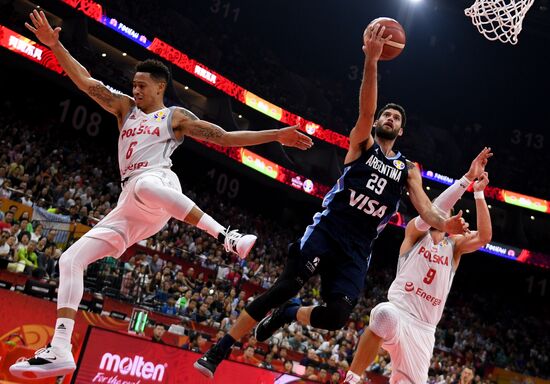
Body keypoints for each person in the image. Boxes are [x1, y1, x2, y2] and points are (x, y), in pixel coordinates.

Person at [10, 9, 313, 380]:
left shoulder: (173, 118)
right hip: (130, 205)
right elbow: (87, 82)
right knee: (71, 259)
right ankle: (59, 348)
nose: (134, 90)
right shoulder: (124, 108)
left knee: (144, 184)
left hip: (160, 187)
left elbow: (225, 137)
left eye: (141, 86)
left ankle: (227, 236)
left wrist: (276, 135)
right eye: (133, 84)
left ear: (159, 88)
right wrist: (55, 46)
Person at [194, 22, 468, 378]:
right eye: (386, 114)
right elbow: (366, 112)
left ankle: (291, 313)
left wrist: (443, 223)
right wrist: (371, 62)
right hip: (329, 230)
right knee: (285, 286)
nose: (388, 118)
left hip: (357, 249)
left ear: (402, 131)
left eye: (395, 118)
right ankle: (220, 350)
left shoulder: (407, 168)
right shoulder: (362, 143)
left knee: (337, 317)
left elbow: (425, 207)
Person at [342, 166, 492, 383]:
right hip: (400, 313)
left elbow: (485, 236)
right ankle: (351, 379)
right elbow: (435, 210)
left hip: (424, 330)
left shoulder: (455, 246)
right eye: (436, 211)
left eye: (446, 212)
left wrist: (478, 193)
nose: (440, 213)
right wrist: (465, 179)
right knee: (385, 315)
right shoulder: (415, 232)